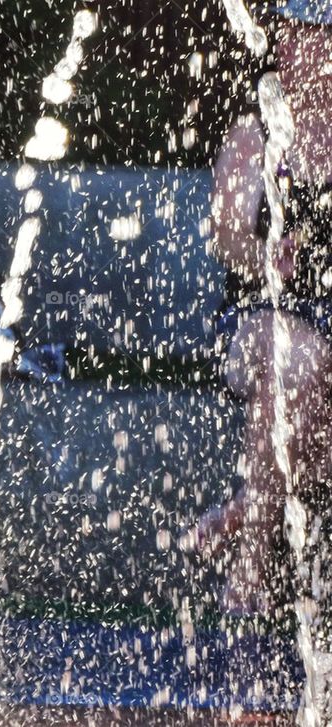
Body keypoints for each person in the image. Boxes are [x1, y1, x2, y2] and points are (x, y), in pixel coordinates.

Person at [192, 0, 332, 614]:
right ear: (283, 47)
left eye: (325, 39)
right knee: (291, 359)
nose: (317, 54)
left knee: (305, 370)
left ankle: (252, 514)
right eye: (305, 39)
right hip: (263, 316)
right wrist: (265, 256)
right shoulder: (256, 133)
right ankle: (249, 575)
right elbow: (225, 236)